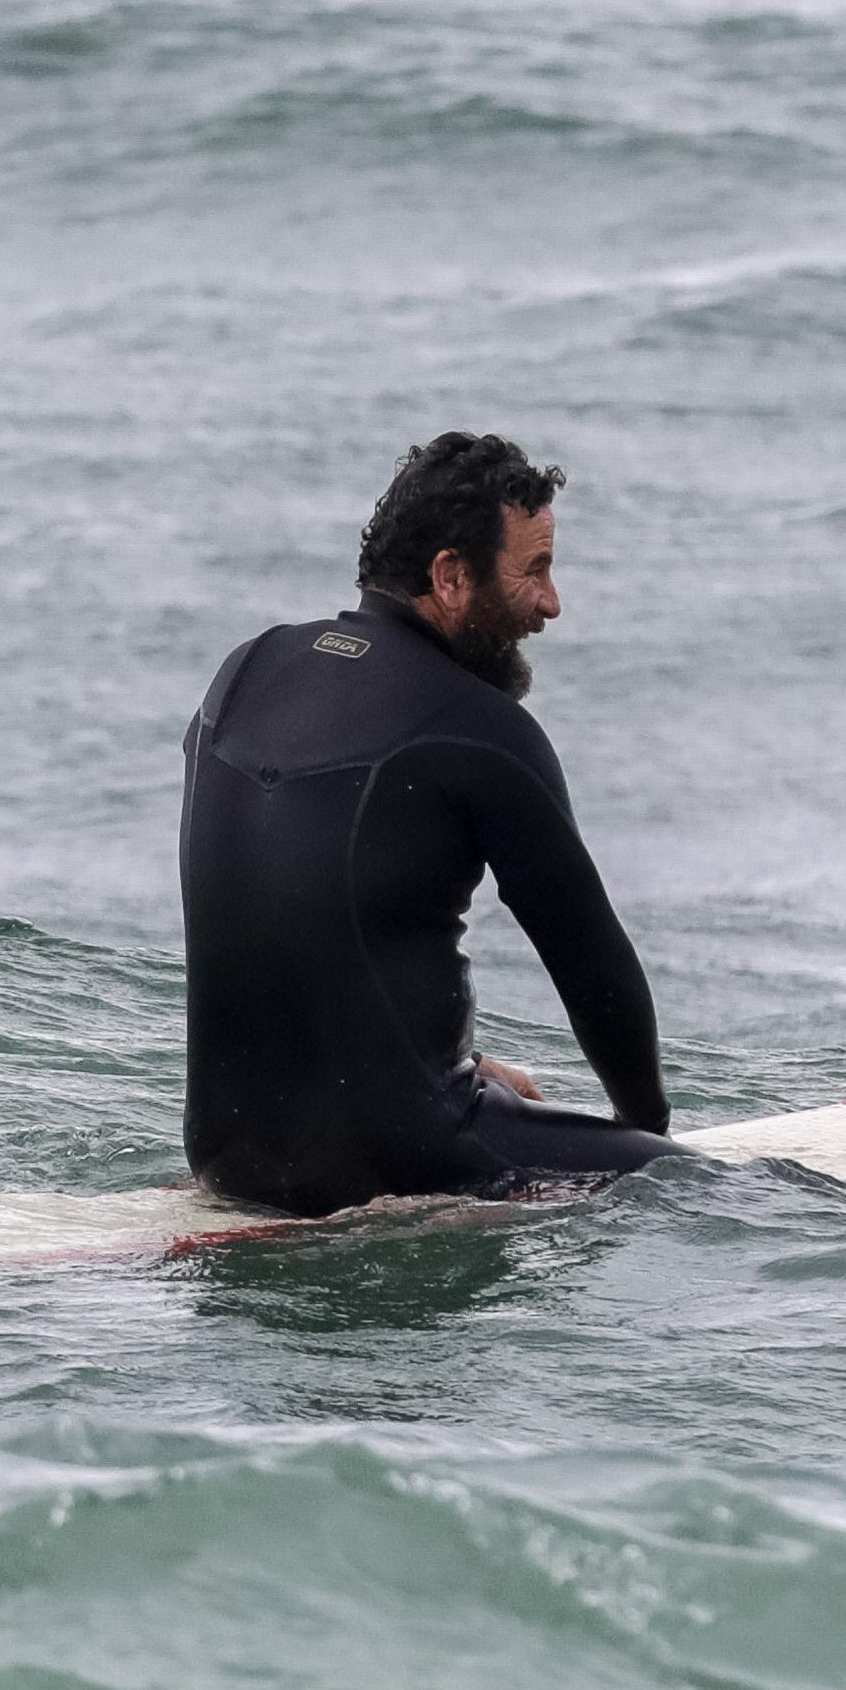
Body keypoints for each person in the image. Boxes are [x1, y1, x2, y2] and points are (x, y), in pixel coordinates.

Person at [178, 432, 679, 1217]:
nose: (551, 603)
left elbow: (287, 915)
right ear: (450, 576)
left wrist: (459, 1065)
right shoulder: (480, 729)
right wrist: (644, 1138)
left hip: (226, 1156)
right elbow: (591, 965)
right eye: (534, 570)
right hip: (398, 1162)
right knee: (698, 1188)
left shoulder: (242, 673)